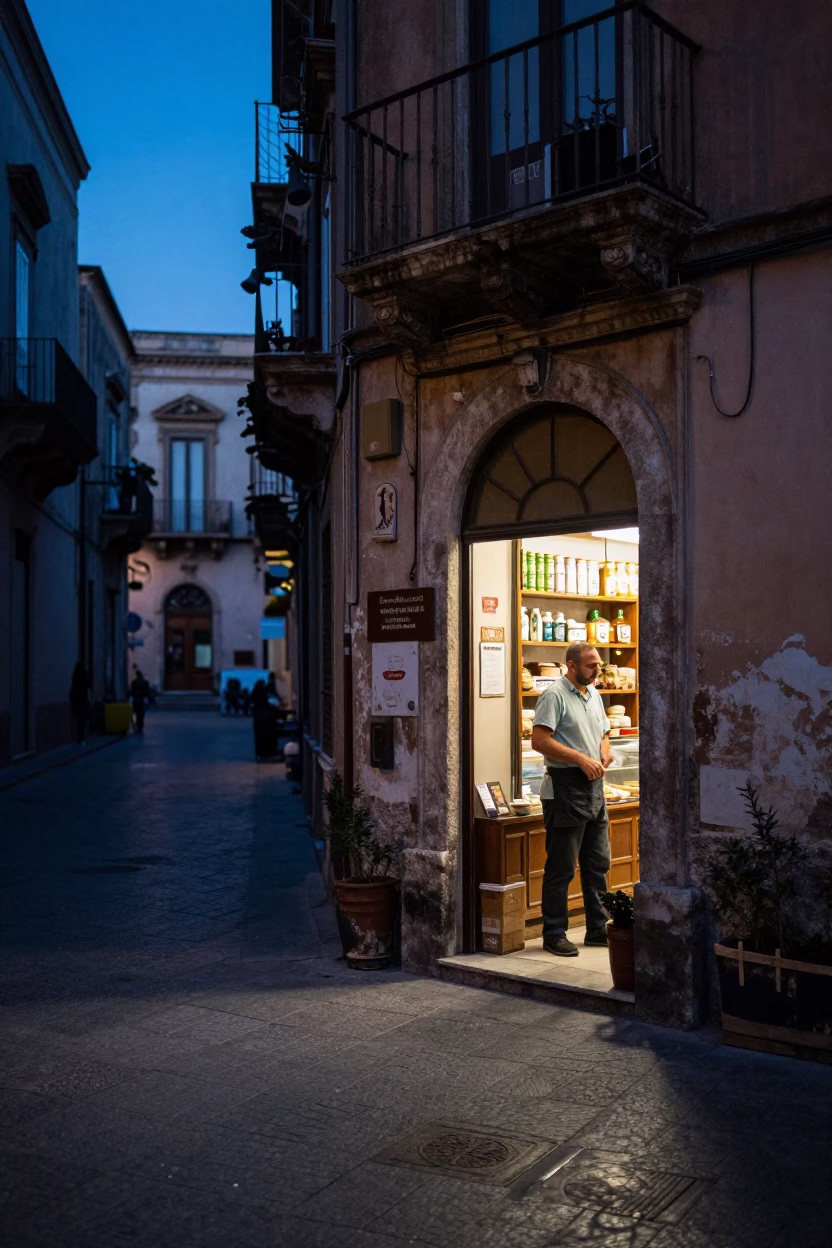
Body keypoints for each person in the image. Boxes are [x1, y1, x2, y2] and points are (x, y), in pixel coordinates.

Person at [530, 641, 613, 958]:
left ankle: (597, 929)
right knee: (562, 866)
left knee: (598, 863)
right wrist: (579, 758)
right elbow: (540, 740)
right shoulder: (554, 695)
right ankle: (553, 933)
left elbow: (604, 731)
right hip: (564, 786)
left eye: (598, 665)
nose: (597, 670)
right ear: (572, 665)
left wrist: (603, 750)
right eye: (591, 665)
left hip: (594, 785)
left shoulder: (594, 694)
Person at [251, 679, 278, 761]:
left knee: (259, 738)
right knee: (267, 737)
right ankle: (268, 754)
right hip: (265, 718)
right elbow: (266, 705)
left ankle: (261, 755)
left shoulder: (256, 694)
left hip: (258, 718)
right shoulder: (263, 693)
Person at [69, 661, 91, 744]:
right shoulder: (84, 677)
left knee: (79, 721)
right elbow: (87, 690)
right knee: (82, 721)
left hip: (77, 702)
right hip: (83, 702)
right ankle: (81, 738)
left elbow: (72, 692)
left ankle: (80, 737)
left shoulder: (75, 678)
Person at [130, 668, 150, 734]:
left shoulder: (134, 682)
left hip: (136, 699)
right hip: (141, 700)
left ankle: (136, 726)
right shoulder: (144, 682)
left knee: (135, 713)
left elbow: (131, 691)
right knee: (140, 714)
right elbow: (147, 692)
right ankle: (139, 726)